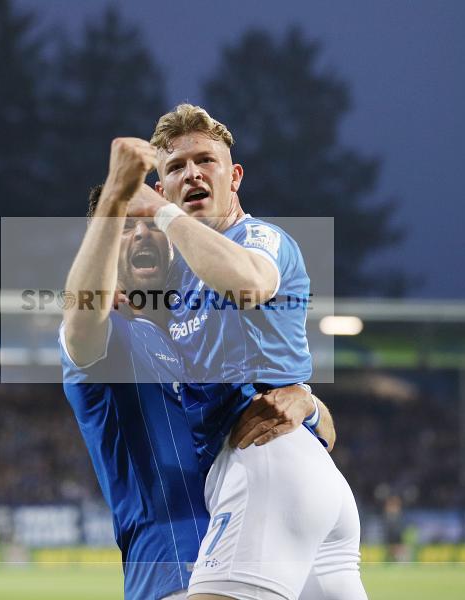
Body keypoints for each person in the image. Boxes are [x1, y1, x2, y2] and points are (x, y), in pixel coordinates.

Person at [60, 137, 333, 600]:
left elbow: (324, 435)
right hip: (171, 564)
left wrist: (304, 400)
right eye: (123, 228)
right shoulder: (111, 340)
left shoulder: (201, 331)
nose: (142, 234)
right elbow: (80, 321)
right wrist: (114, 194)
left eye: (149, 223)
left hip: (253, 544)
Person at [125, 104, 367, 600]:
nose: (191, 173)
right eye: (174, 167)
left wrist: (163, 215)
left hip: (264, 467)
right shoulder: (181, 284)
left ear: (233, 177)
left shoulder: (257, 238)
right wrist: (310, 401)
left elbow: (252, 282)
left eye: (204, 161)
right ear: (160, 184)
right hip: (295, 474)